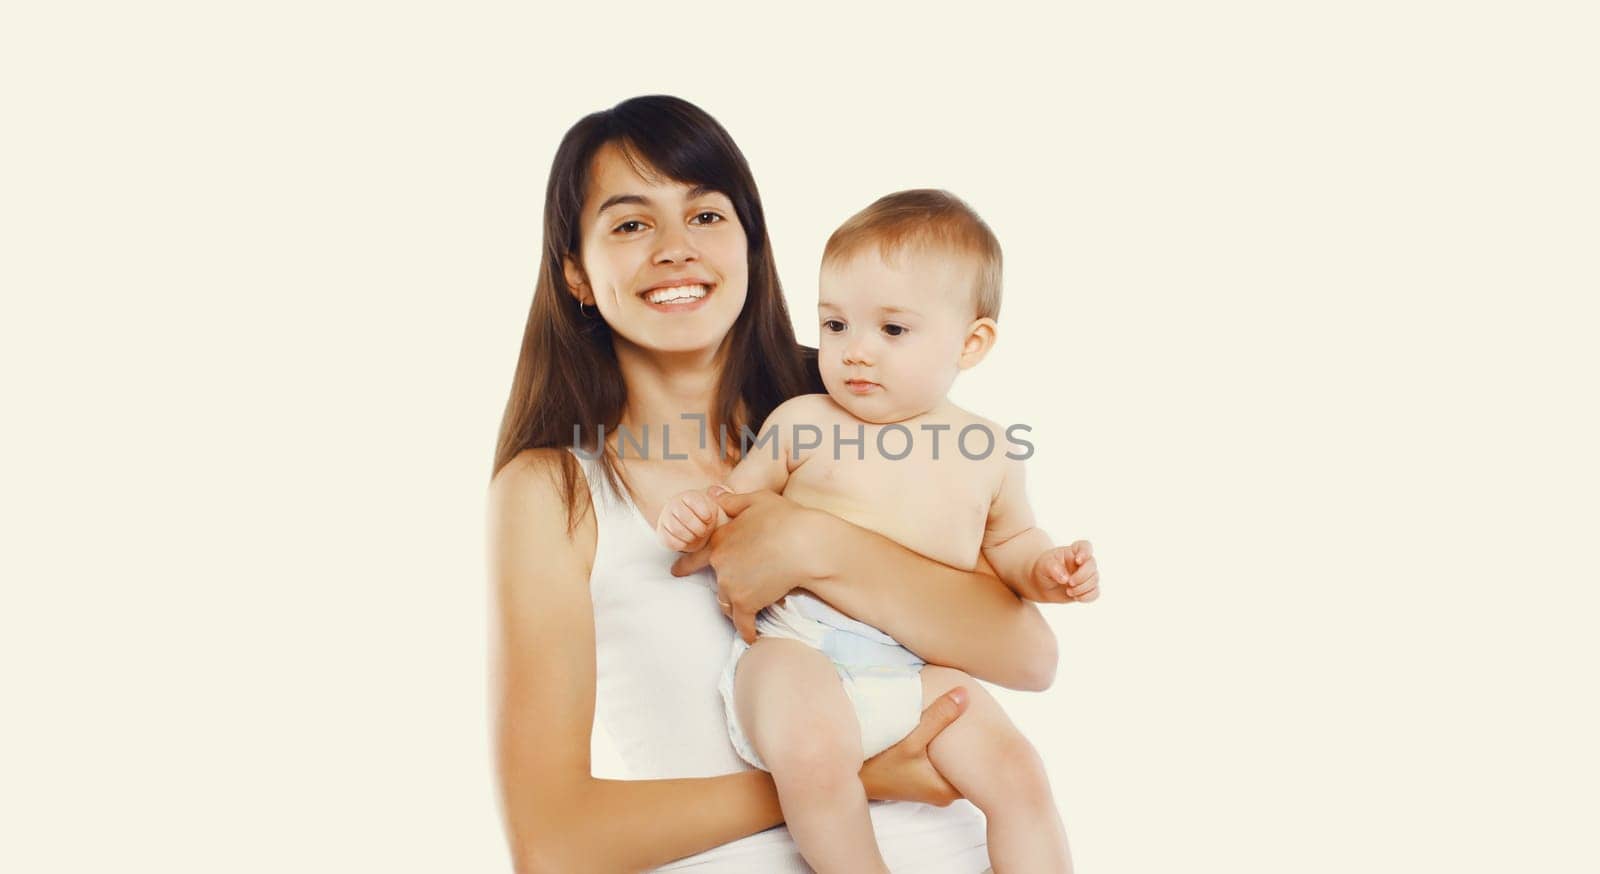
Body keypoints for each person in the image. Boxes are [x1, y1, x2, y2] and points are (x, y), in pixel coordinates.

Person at [489, 96, 1086, 872]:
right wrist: (842, 773)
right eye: (631, 223)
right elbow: (553, 845)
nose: (675, 248)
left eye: (706, 216)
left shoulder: (854, 412)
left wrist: (812, 542)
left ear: (751, 244)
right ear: (576, 272)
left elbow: (1028, 657)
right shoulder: (554, 491)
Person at [654, 189, 1097, 872]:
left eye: (891, 331)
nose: (854, 352)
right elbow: (735, 506)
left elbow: (1011, 546)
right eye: (835, 325)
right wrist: (696, 516)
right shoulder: (804, 421)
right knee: (813, 755)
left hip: (911, 671)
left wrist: (1050, 571)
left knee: (1018, 773)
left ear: (971, 342)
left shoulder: (986, 450)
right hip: (792, 649)